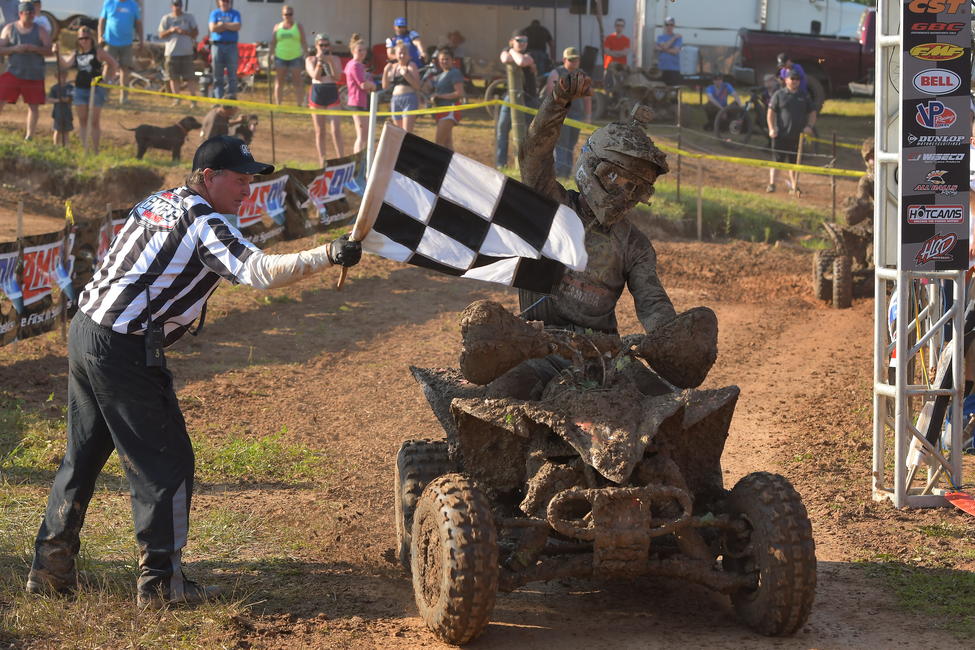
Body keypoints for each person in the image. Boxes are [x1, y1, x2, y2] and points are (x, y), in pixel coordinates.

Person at [25, 134, 362, 607]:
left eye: (250, 180)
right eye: (240, 180)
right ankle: (162, 585)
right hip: (123, 346)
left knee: (82, 456)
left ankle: (49, 568)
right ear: (208, 177)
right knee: (167, 464)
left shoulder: (158, 200)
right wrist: (326, 254)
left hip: (88, 330)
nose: (247, 190)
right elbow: (259, 272)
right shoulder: (204, 221)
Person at [487, 69, 694, 398]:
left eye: (637, 188)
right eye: (619, 180)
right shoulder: (553, 207)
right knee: (504, 393)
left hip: (604, 355)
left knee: (663, 401)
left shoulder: (635, 245)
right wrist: (557, 102)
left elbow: (652, 303)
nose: (626, 194)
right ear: (595, 167)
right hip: (537, 347)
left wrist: (669, 339)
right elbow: (533, 155)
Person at [59, 26, 117, 153]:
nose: (84, 41)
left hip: (96, 89)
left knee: (94, 121)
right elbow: (66, 64)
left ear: (91, 39)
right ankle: (85, 148)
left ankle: (95, 150)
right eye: (81, 38)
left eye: (86, 38)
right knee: (83, 120)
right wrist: (57, 53)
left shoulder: (98, 51)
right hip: (80, 89)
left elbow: (113, 63)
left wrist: (109, 80)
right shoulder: (76, 52)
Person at [0, 2, 51, 141]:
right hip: (13, 72)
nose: (30, 16)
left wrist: (35, 49)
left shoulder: (40, 30)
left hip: (34, 74)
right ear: (20, 14)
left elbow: (49, 50)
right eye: (27, 13)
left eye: (32, 13)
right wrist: (14, 49)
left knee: (33, 106)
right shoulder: (9, 28)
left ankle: (30, 136)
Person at [766, 68, 816, 195]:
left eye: (797, 79)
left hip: (797, 137)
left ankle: (794, 187)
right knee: (777, 161)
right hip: (780, 135)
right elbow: (770, 113)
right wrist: (771, 128)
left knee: (794, 163)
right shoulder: (779, 94)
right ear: (786, 80)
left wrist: (810, 126)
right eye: (792, 79)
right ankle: (772, 184)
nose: (795, 81)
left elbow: (812, 112)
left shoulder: (804, 96)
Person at [544, 46, 591, 178]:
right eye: (571, 60)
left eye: (576, 60)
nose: (574, 62)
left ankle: (566, 172)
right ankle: (559, 172)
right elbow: (549, 96)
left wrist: (588, 116)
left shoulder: (582, 75)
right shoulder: (556, 73)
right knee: (561, 143)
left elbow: (587, 98)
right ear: (564, 60)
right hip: (560, 114)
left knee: (571, 144)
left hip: (576, 115)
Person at [496, 29, 537, 169]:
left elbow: (521, 62)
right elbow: (504, 59)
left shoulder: (531, 53)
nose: (522, 43)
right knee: (502, 129)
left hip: (529, 98)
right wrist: (513, 52)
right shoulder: (506, 51)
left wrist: (512, 51)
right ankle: (501, 164)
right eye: (519, 40)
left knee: (529, 134)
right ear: (511, 41)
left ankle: (526, 165)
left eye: (525, 40)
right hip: (510, 97)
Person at [306, 32, 344, 167]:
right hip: (318, 91)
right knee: (320, 130)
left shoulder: (335, 59)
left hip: (331, 89)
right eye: (321, 45)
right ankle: (322, 161)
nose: (324, 48)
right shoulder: (310, 59)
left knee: (336, 129)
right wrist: (320, 62)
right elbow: (315, 76)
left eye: (326, 45)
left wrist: (330, 61)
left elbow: (337, 77)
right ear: (316, 45)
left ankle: (341, 158)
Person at [98, 0, 141, 105]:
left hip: (127, 43)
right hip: (110, 41)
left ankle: (124, 98)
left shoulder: (133, 5)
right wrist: (100, 36)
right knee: (108, 68)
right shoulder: (109, 3)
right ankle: (104, 95)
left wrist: (141, 39)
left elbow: (138, 23)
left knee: (125, 70)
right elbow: (102, 21)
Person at [158, 0, 199, 105]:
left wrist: (185, 32)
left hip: (187, 52)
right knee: (173, 77)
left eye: (179, 5)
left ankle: (193, 100)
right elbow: (161, 35)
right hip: (171, 53)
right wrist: (171, 30)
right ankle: (177, 99)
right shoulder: (166, 18)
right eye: (175, 5)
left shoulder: (189, 17)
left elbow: (196, 33)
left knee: (190, 77)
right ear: (171, 6)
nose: (177, 7)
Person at [426, 47, 464, 149]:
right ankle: (451, 160)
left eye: (447, 59)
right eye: (442, 59)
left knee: (439, 142)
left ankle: (439, 160)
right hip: (440, 109)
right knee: (447, 143)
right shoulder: (440, 75)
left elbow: (459, 93)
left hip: (449, 109)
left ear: (452, 60)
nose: (444, 61)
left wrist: (439, 96)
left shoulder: (454, 72)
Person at [345, 34, 376, 153]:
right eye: (359, 50)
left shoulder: (356, 65)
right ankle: (358, 160)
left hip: (360, 101)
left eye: (364, 50)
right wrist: (373, 85)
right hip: (357, 101)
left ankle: (361, 159)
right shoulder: (355, 65)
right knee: (362, 136)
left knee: (364, 135)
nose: (362, 53)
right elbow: (362, 84)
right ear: (353, 51)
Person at [270, 4, 306, 106]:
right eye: (286, 14)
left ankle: (299, 105)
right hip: (280, 57)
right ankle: (278, 105)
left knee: (297, 82)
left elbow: (303, 41)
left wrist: (307, 54)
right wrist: (270, 55)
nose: (288, 16)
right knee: (279, 82)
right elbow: (273, 42)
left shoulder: (298, 26)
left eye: (290, 14)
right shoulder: (277, 27)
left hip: (295, 57)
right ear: (282, 15)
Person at [383, 41, 422, 133]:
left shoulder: (411, 65)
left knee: (407, 133)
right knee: (398, 133)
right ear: (395, 55)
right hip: (395, 100)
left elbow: (417, 86)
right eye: (400, 53)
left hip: (409, 99)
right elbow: (385, 86)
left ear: (409, 55)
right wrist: (385, 71)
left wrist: (406, 75)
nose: (402, 56)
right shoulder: (393, 67)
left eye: (404, 53)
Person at [209, 0, 241, 99]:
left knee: (232, 74)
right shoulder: (215, 13)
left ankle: (231, 98)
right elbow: (212, 28)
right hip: (217, 46)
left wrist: (222, 24)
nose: (225, 2)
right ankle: (218, 98)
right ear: (219, 2)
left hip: (231, 46)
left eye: (227, 1)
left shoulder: (235, 13)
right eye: (223, 1)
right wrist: (229, 25)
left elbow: (237, 26)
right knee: (217, 74)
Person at [654, 16, 681, 86]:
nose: (669, 26)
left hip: (673, 69)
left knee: (672, 90)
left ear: (674, 26)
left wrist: (661, 49)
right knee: (661, 89)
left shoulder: (679, 38)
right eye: (667, 24)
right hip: (662, 68)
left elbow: (675, 51)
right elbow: (665, 46)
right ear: (665, 26)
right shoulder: (660, 37)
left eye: (671, 25)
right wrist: (674, 38)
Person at [48, 76, 72, 146]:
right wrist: (59, 100)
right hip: (58, 112)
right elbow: (50, 99)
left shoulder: (70, 87)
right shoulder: (54, 88)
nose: (62, 78)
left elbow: (73, 97)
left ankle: (67, 146)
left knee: (66, 130)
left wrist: (69, 99)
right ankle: (55, 145)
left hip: (67, 112)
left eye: (64, 76)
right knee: (57, 130)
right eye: (61, 76)